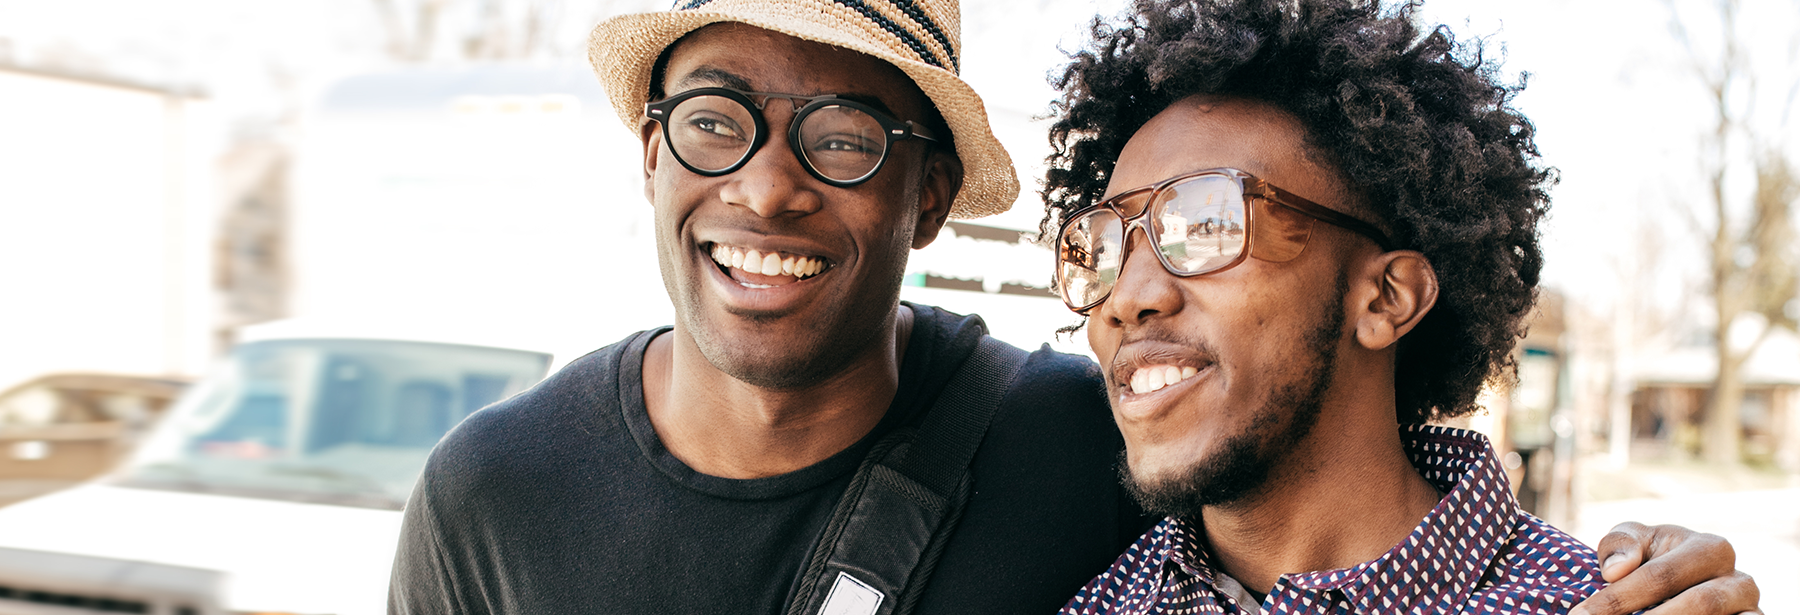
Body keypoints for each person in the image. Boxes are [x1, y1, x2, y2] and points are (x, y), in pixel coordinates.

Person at [387, 1, 1758, 614]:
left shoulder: (1064, 455)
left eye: (846, 136)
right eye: (711, 121)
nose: (768, 188)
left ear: (926, 199)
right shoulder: (487, 494)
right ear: (651, 154)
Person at [1039, 1, 1763, 614]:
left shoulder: (1597, 602)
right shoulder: (1092, 597)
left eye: (1204, 225)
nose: (1127, 297)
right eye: (1104, 246)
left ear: (1387, 298)